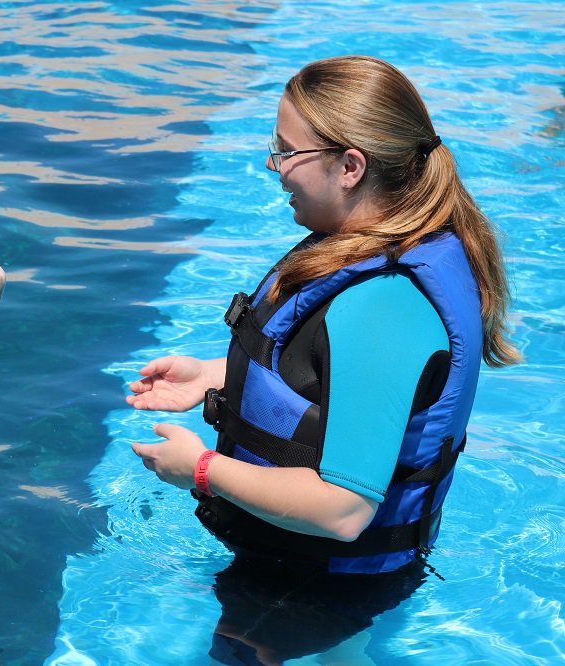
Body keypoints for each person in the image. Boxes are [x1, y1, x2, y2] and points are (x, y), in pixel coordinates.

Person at [126, 55, 521, 662]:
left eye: (286, 150)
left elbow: (342, 508)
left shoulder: (382, 305)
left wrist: (199, 469)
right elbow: (335, 383)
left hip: (319, 586)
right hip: (310, 574)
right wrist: (213, 376)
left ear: (350, 166)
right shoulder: (383, 248)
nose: (271, 164)